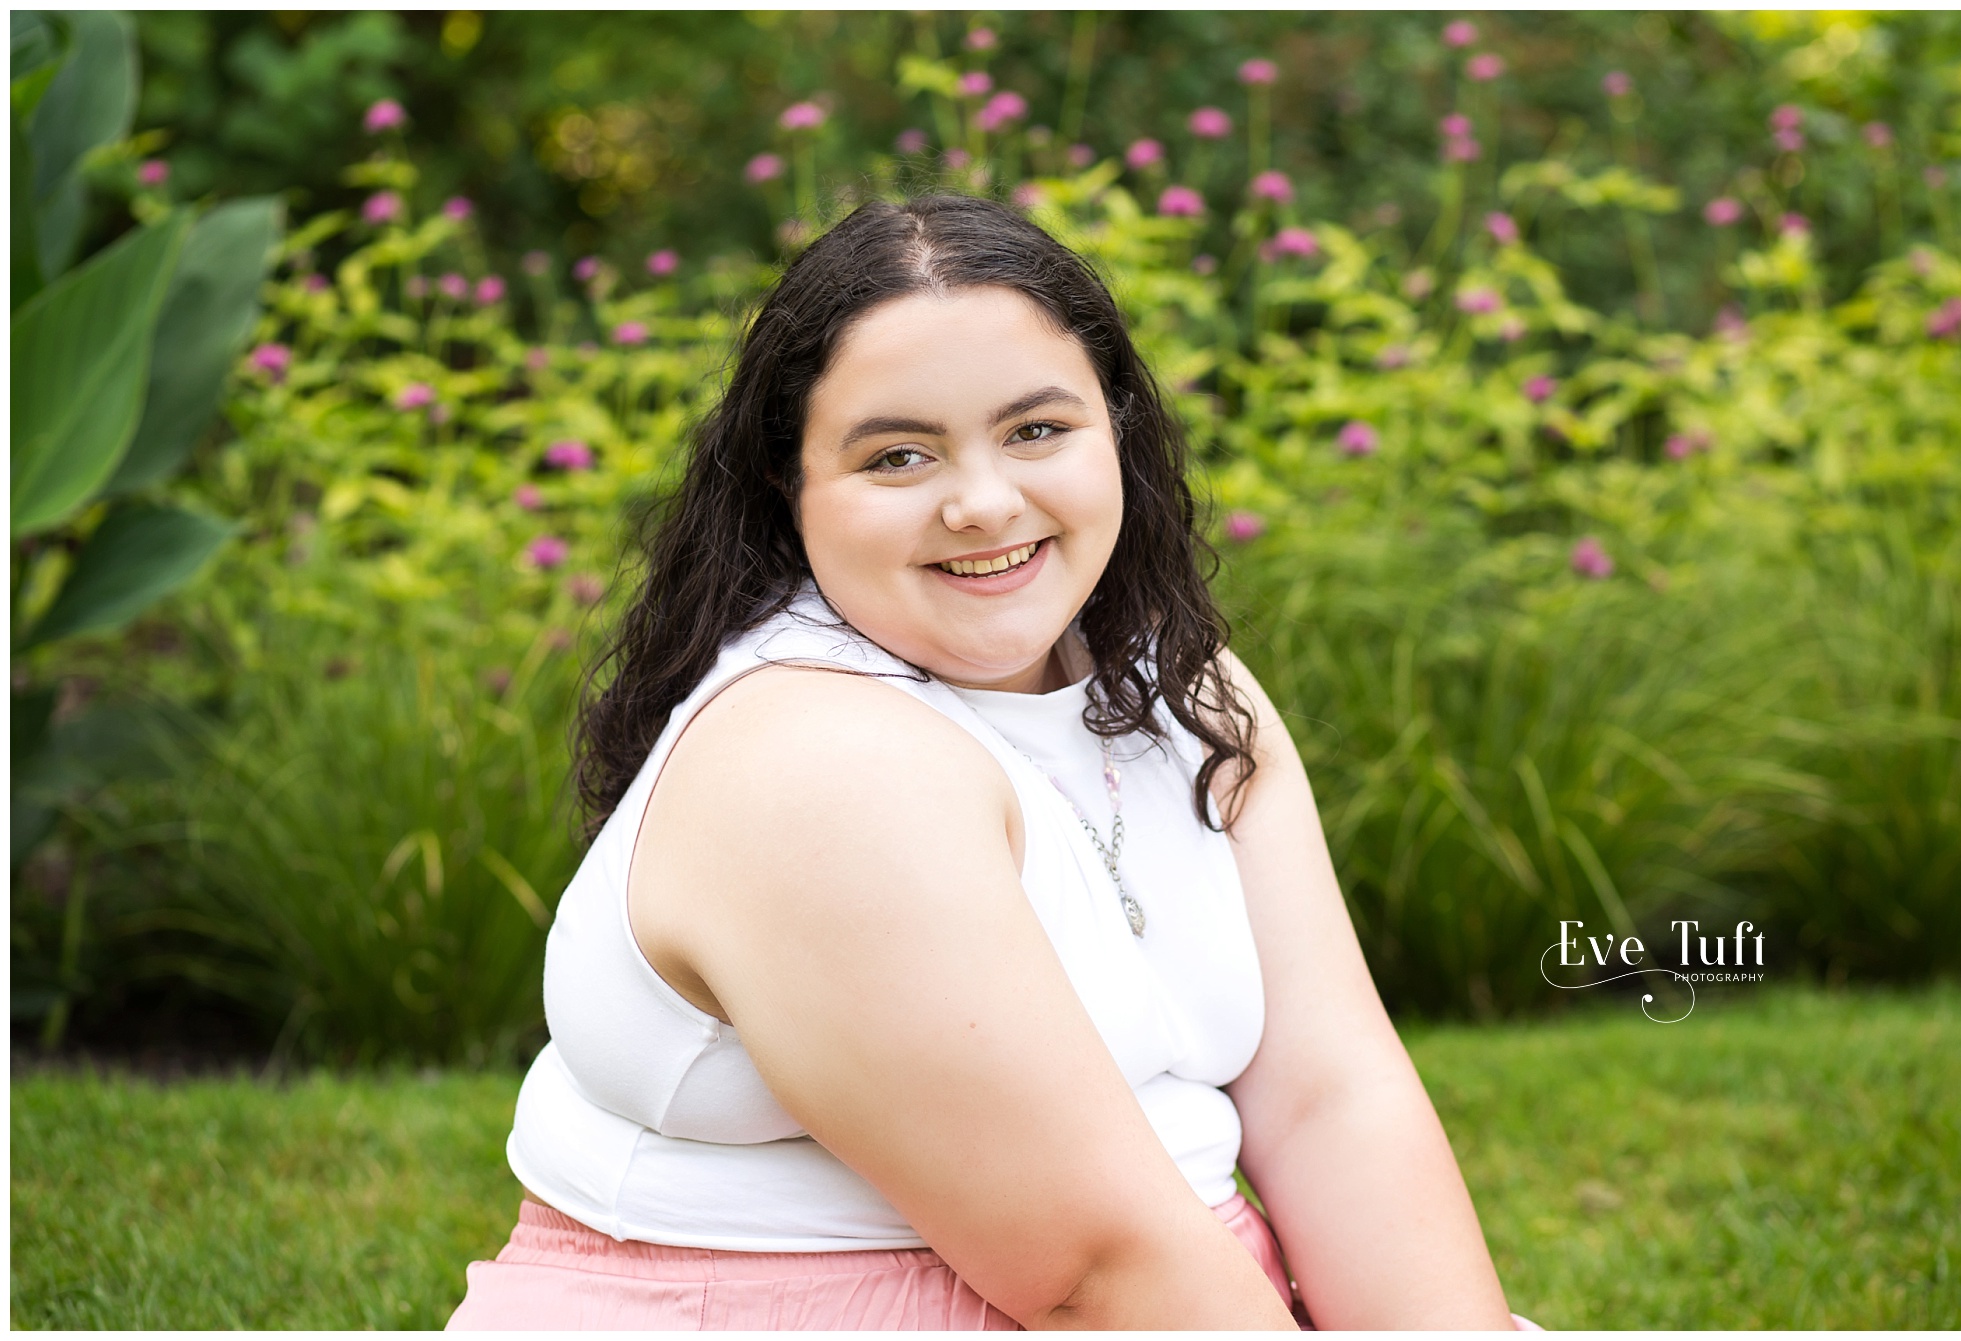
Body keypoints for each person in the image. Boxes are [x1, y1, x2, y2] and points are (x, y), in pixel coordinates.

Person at [448, 193, 1539, 1331]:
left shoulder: (1179, 685)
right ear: (790, 484)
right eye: (898, 455)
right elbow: (1088, 1273)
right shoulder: (812, 764)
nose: (981, 503)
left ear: (1112, 429)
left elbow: (1330, 1098)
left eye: (1034, 431)